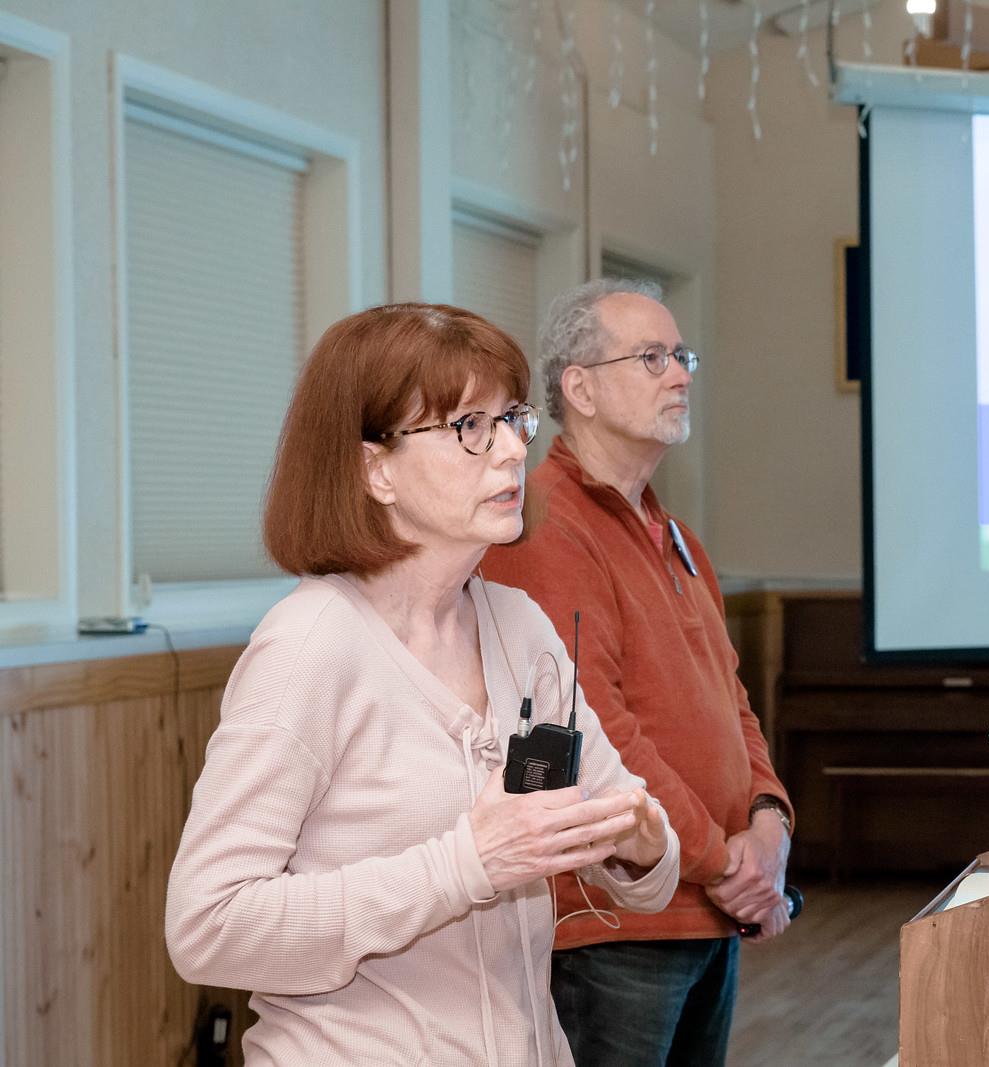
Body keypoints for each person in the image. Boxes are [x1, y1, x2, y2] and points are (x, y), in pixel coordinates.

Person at [165, 303, 680, 1066]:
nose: (513, 450)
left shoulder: (522, 627)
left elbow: (647, 870)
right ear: (374, 468)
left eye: (513, 419)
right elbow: (208, 928)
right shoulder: (308, 647)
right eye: (470, 426)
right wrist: (465, 863)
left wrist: (640, 844)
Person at [482, 279, 793, 1067]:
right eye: (652, 357)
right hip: (616, 924)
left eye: (682, 356)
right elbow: (594, 730)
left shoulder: (673, 531)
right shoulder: (543, 524)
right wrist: (724, 861)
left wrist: (769, 824)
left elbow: (735, 703)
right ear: (580, 388)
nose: (680, 374)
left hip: (710, 907)